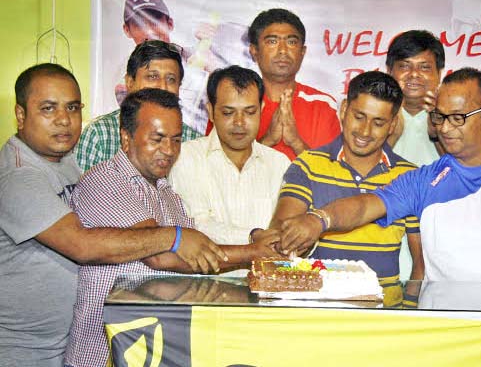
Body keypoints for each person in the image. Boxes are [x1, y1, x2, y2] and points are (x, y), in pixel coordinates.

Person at [0, 64, 225, 367]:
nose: (64, 120)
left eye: (72, 107)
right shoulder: (18, 175)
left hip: (62, 343)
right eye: (48, 109)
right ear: (21, 115)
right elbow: (83, 246)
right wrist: (174, 236)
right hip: (23, 349)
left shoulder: (62, 161)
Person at [280, 67, 481, 299]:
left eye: (458, 118)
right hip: (442, 325)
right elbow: (367, 205)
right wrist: (320, 219)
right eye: (440, 117)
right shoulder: (424, 178)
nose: (445, 128)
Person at [64, 88, 280, 367]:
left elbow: (199, 256)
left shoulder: (168, 193)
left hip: (153, 353)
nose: (169, 150)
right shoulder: (106, 181)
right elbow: (162, 256)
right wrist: (254, 252)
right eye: (158, 139)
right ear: (126, 137)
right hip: (102, 355)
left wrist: (256, 255)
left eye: (176, 140)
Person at [269, 71, 422, 300]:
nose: (365, 131)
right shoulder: (308, 166)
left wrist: (409, 313)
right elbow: (279, 235)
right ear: (343, 110)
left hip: (385, 319)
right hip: (320, 313)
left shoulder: (408, 176)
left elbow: (420, 264)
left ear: (392, 125)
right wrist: (289, 239)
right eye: (359, 116)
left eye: (378, 122)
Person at [169, 66, 290, 265]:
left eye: (250, 112)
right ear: (210, 111)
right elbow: (197, 225)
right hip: (205, 286)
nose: (240, 123)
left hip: (269, 283)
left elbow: (287, 227)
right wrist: (253, 238)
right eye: (228, 112)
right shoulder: (186, 157)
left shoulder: (279, 163)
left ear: (262, 109)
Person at [116, 0, 251, 133]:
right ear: (127, 30)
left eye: (155, 21)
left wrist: (214, 64)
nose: (149, 30)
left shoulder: (196, 56)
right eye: (139, 24)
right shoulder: (125, 83)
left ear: (170, 23)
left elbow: (240, 96)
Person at [76, 40, 202, 173]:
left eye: (171, 79)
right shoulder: (99, 135)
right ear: (130, 82)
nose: (162, 87)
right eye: (153, 77)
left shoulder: (192, 141)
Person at [248, 8, 341, 160]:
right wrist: (268, 140)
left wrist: (296, 142)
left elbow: (332, 178)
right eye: (272, 41)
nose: (283, 50)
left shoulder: (323, 106)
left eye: (291, 42)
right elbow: (220, 174)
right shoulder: (233, 103)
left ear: (302, 52)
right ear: (254, 50)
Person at [386, 30, 446, 166]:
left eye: (424, 67)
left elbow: (463, 172)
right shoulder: (374, 117)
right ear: (389, 71)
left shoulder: (454, 119)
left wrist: (436, 135)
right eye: (405, 66)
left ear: (439, 74)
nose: (414, 74)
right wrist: (392, 136)